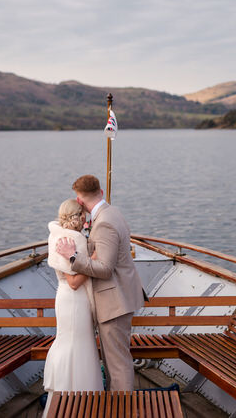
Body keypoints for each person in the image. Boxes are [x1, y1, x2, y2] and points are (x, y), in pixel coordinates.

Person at [55, 174, 145, 391]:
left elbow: (105, 269)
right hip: (119, 297)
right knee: (116, 361)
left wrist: (73, 257)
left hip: (114, 302)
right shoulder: (112, 212)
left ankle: (123, 409)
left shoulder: (104, 223)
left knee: (117, 364)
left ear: (79, 200)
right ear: (101, 192)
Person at [42, 199, 103, 414]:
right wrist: (94, 259)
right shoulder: (73, 239)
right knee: (78, 346)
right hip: (75, 300)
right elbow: (75, 282)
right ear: (78, 217)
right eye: (84, 215)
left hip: (63, 298)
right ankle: (80, 403)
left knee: (70, 342)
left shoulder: (56, 235)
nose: (86, 218)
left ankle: (63, 400)